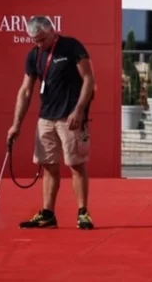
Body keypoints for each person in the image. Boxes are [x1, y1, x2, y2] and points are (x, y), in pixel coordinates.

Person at [6, 15, 96, 230]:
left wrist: (79, 110)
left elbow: (89, 79)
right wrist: (16, 124)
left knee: (75, 164)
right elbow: (26, 90)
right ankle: (48, 214)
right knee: (48, 166)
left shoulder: (71, 47)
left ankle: (83, 213)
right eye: (34, 40)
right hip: (46, 118)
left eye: (42, 39)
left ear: (52, 31)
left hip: (70, 117)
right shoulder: (34, 55)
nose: (38, 44)